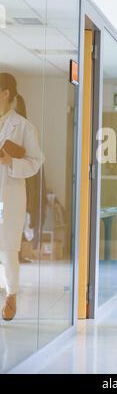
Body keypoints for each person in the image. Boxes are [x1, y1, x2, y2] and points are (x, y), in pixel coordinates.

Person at [0, 73, 43, 321]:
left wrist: (10, 161)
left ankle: (11, 295)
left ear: (6, 93)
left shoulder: (24, 127)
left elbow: (35, 162)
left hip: (9, 195)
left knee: (8, 249)